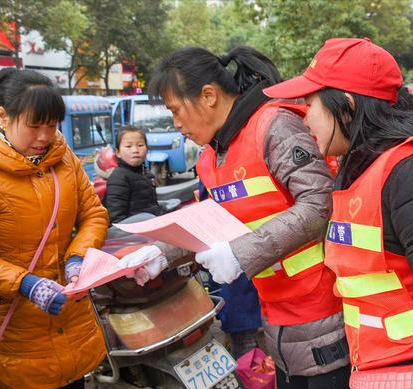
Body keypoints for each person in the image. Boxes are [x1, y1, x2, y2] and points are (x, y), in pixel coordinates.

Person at [118, 46, 350, 388]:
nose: (176, 124)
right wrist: (161, 254)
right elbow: (207, 225)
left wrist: (240, 253)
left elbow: (319, 204)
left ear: (209, 95)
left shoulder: (275, 127)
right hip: (278, 315)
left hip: (325, 308)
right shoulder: (211, 158)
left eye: (176, 110)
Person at [264, 37, 413, 387]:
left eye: (310, 104)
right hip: (382, 372)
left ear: (347, 107)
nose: (303, 119)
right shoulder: (360, 171)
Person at [0, 68, 108, 389]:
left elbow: (94, 214)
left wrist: (78, 257)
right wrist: (25, 284)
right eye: (34, 125)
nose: (45, 136)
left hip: (70, 317)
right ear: (3, 116)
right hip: (13, 331)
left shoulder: (64, 161)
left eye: (51, 125)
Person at [105, 125, 165, 224]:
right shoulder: (119, 178)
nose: (135, 150)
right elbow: (116, 218)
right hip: (134, 234)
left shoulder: (147, 175)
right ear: (118, 152)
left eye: (140, 145)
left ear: (147, 149)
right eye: (128, 146)